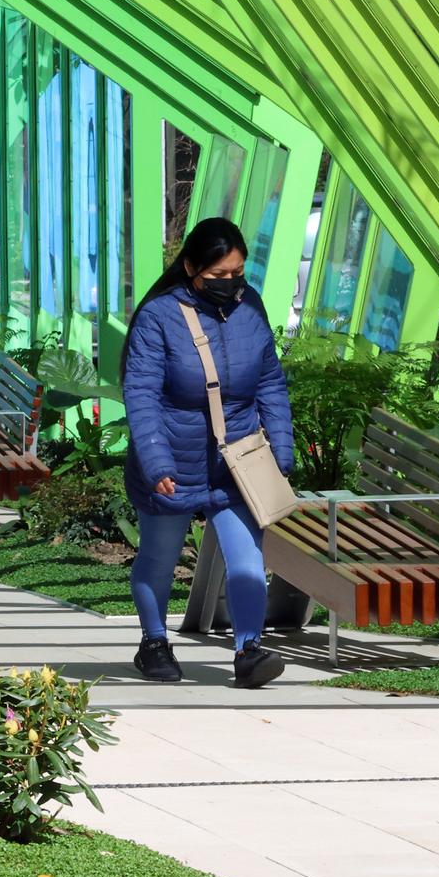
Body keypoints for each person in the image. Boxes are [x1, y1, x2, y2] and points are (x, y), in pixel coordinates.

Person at [122, 217, 294, 689]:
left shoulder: (250, 307)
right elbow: (140, 392)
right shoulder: (158, 316)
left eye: (237, 274)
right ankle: (154, 642)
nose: (230, 284)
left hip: (235, 459)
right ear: (191, 267)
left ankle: (249, 650)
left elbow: (270, 383)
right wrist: (156, 461)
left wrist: (280, 447)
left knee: (246, 561)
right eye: (218, 276)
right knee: (159, 558)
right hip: (172, 460)